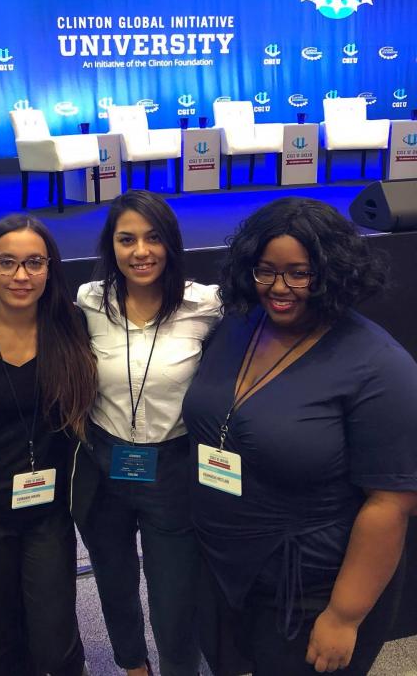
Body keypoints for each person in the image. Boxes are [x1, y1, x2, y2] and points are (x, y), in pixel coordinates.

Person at [183, 196, 417, 676]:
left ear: (332, 272)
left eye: (299, 273)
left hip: (310, 590)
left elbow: (391, 504)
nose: (279, 288)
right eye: (265, 271)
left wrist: (344, 616)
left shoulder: (378, 366)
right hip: (223, 565)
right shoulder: (239, 327)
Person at [73, 190, 221, 676]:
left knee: (174, 592)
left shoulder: (205, 305)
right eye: (127, 239)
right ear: (110, 246)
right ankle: (132, 666)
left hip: (173, 467)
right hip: (104, 463)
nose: (141, 251)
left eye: (154, 238)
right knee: (113, 581)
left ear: (171, 243)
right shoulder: (90, 301)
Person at [0, 214, 96, 676]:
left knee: (55, 641)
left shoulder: (71, 329)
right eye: (6, 263)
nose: (20, 275)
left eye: (34, 262)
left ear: (50, 269)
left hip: (45, 514)